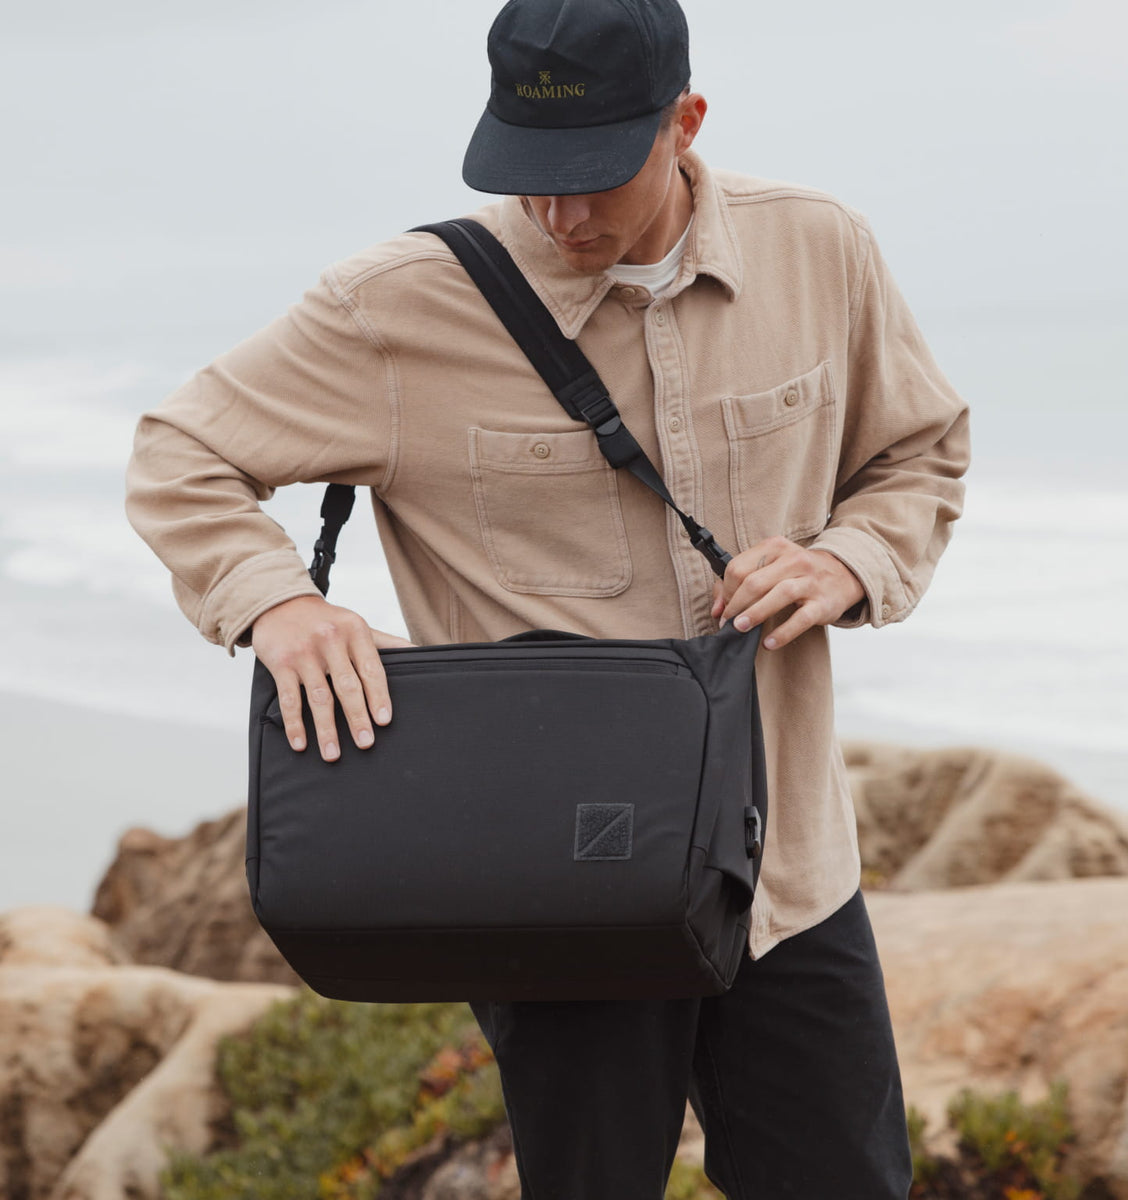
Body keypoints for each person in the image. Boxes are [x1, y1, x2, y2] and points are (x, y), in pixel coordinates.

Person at [126, 0, 969, 1194]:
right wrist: (276, 603)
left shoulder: (822, 250)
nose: (562, 216)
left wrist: (851, 561)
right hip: (559, 895)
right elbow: (180, 453)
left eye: (594, 177)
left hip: (789, 874)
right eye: (530, 174)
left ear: (686, 122)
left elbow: (920, 452)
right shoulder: (394, 305)